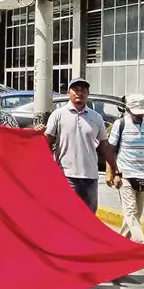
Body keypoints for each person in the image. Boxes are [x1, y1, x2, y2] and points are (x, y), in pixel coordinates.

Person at [43, 77, 120, 213]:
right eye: (76, 90)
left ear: (87, 93)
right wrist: (48, 168)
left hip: (90, 178)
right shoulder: (58, 115)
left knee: (90, 219)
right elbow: (46, 141)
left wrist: (115, 171)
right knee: (68, 217)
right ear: (68, 92)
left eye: (83, 90)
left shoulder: (96, 117)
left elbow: (105, 147)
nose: (79, 93)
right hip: (66, 176)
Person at [108, 94, 144, 243]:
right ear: (128, 109)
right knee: (131, 212)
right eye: (137, 112)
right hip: (125, 173)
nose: (140, 115)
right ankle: (143, 245)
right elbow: (111, 150)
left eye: (142, 112)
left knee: (136, 214)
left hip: (143, 173)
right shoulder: (120, 124)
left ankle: (118, 244)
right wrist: (114, 173)